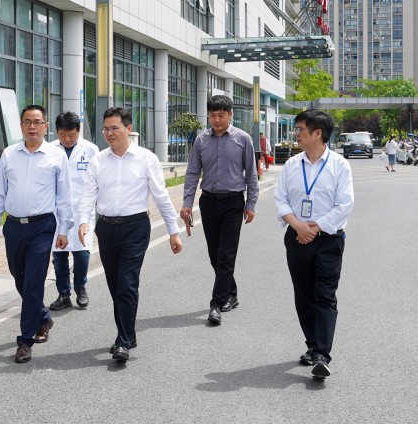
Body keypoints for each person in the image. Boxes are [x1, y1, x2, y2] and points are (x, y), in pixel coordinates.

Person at [78, 107, 182, 362]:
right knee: (115, 285)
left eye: (114, 128)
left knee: (127, 283)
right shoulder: (98, 160)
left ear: (128, 128)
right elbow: (88, 194)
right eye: (105, 129)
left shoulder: (146, 158)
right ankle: (129, 333)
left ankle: (123, 341)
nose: (109, 133)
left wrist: (173, 231)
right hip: (106, 228)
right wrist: (83, 222)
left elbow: (161, 196)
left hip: (135, 228)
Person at [0, 105, 73, 364]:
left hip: (42, 226)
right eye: (27, 122)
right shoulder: (9, 154)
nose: (32, 126)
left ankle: (25, 341)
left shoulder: (56, 156)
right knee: (20, 279)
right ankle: (43, 317)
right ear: (21, 126)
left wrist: (64, 229)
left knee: (34, 281)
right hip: (13, 226)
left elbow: (64, 196)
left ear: (45, 126)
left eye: (37, 122)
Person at [273, 109, 354, 380]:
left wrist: (315, 227)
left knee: (325, 295)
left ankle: (321, 354)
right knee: (304, 295)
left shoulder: (339, 166)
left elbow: (345, 205)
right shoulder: (291, 165)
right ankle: (312, 345)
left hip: (329, 239)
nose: (295, 134)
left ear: (317, 133)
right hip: (296, 238)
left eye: (300, 129)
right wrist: (298, 226)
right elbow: (281, 199)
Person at [180, 95, 259, 325]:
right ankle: (231, 294)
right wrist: (187, 203)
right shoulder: (201, 140)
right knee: (215, 255)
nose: (216, 119)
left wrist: (251, 204)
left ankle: (216, 304)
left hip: (233, 203)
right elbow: (192, 173)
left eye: (221, 115)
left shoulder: (243, 139)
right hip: (208, 202)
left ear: (230, 115)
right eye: (212, 115)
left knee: (226, 255)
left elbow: (251, 173)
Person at [49, 112, 99, 311]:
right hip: (57, 211)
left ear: (79, 131)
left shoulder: (91, 150)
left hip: (82, 211)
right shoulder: (50, 150)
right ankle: (64, 294)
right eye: (63, 135)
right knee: (59, 256)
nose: (67, 139)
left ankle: (80, 286)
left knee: (82, 253)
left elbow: (97, 182)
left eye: (71, 135)